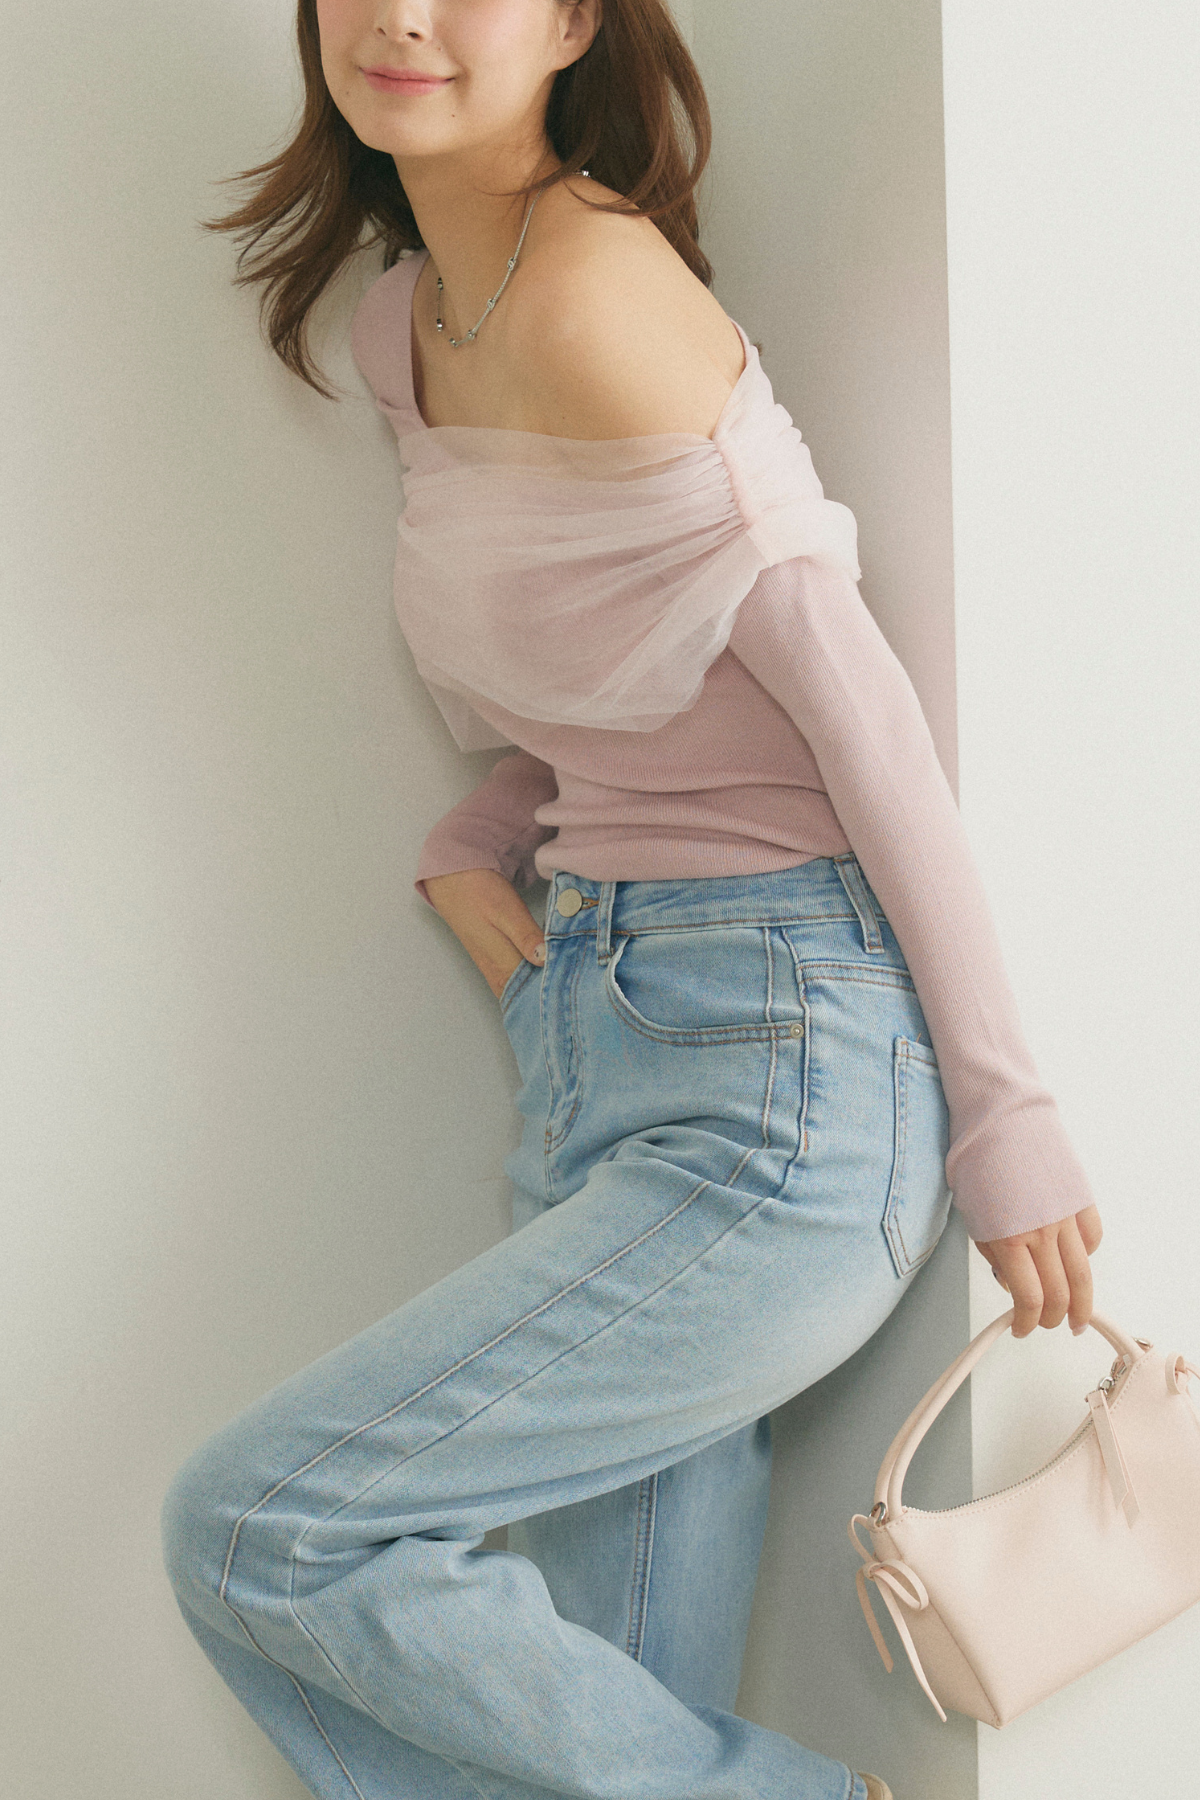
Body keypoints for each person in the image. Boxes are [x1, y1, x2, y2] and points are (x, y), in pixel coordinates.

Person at [161, 4, 1103, 1798]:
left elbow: (859, 715)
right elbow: (612, 663)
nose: (403, 15)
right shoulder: (401, 331)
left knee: (257, 1524)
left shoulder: (601, 294)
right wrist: (477, 850)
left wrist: (1010, 1117)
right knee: (596, 1712)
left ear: (575, 20)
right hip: (598, 1040)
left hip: (788, 1075)